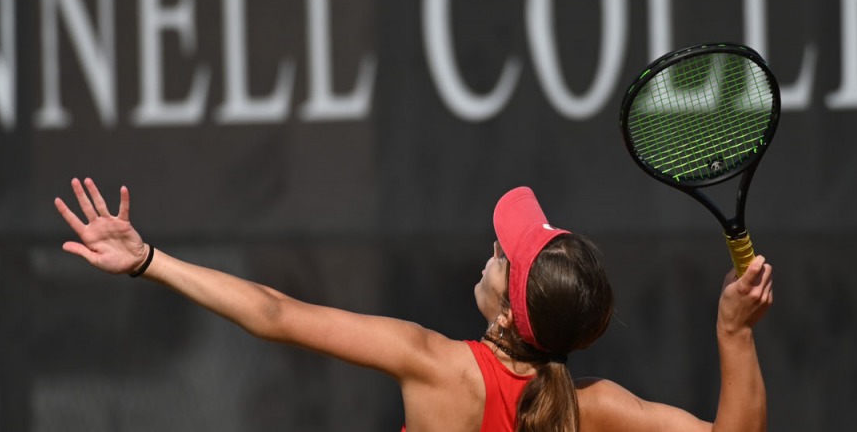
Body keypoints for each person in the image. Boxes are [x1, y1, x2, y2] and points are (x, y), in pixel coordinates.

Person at [54, 178, 773, 432]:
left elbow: (274, 313)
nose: (489, 255)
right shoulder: (596, 409)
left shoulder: (437, 368)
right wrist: (733, 334)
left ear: (503, 314)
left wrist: (149, 261)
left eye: (501, 256)